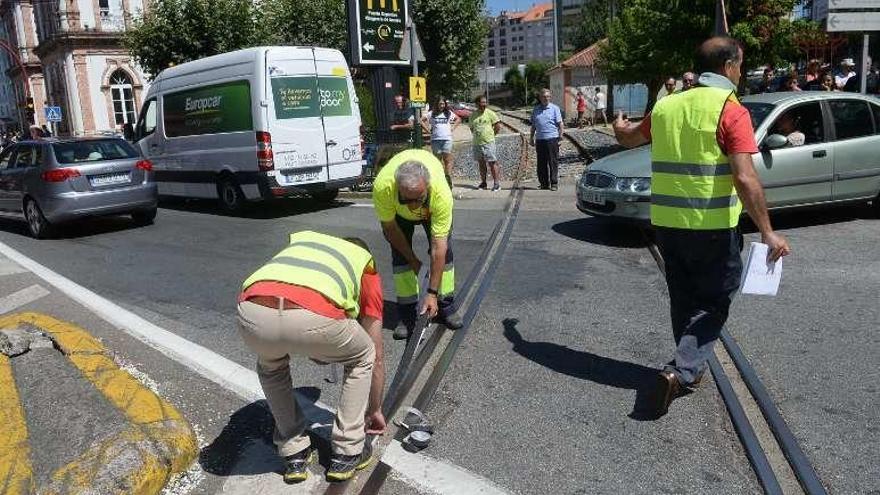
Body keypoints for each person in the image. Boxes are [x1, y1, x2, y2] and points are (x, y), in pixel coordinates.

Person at [611, 36, 791, 418]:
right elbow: (745, 178)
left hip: (668, 227)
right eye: (740, 65)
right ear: (728, 66)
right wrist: (767, 230)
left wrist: (618, 124)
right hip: (712, 227)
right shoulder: (730, 109)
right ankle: (681, 370)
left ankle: (686, 366)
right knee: (714, 301)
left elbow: (628, 138)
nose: (741, 72)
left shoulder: (666, 106)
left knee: (683, 294)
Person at [237, 231, 386, 483]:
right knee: (363, 355)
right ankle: (348, 452)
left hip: (252, 311)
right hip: (312, 316)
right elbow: (377, 353)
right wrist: (374, 409)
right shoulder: (365, 264)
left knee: (271, 367)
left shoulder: (309, 245)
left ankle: (293, 452)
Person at [372, 148, 463, 340]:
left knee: (444, 257)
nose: (413, 206)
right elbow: (390, 229)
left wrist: (431, 292)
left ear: (427, 187)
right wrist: (413, 261)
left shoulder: (440, 193)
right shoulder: (383, 187)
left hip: (431, 210)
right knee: (401, 260)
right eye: (407, 200)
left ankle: (445, 305)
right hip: (399, 217)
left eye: (418, 199)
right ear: (397, 188)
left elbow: (439, 247)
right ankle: (407, 316)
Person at [529, 88, 564, 191]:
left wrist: (561, 137)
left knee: (553, 162)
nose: (546, 98)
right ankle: (544, 183)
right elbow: (533, 125)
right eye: (544, 97)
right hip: (540, 140)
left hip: (552, 139)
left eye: (548, 96)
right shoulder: (536, 109)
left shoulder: (555, 108)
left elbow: (560, 124)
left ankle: (554, 183)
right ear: (540, 98)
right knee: (541, 163)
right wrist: (531, 138)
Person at [422, 96, 459, 187]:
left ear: (445, 104)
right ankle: (438, 178)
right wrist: (428, 130)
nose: (441, 105)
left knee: (447, 160)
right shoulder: (431, 113)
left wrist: (453, 128)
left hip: (447, 139)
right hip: (435, 140)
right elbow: (421, 120)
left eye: (443, 104)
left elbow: (458, 119)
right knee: (437, 160)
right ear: (436, 104)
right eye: (439, 104)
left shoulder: (448, 113)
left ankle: (448, 178)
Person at [469, 95, 502, 191]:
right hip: (477, 143)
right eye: (482, 102)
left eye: (485, 102)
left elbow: (497, 126)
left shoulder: (490, 113)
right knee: (481, 163)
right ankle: (483, 183)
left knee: (492, 162)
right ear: (477, 104)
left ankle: (496, 184)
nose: (484, 104)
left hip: (488, 142)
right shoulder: (472, 115)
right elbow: (471, 128)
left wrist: (491, 135)